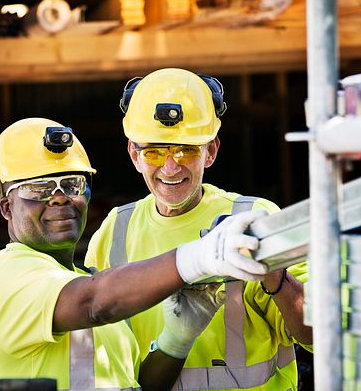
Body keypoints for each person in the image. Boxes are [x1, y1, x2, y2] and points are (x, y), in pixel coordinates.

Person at [0, 117, 270, 390]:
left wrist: (176, 340)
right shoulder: (8, 275)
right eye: (39, 188)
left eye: (72, 184)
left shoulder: (84, 279)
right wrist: (199, 257)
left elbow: (138, 383)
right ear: (5, 206)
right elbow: (92, 302)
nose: (59, 198)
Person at [86, 68, 312, 390]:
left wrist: (273, 276)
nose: (170, 166)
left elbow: (314, 332)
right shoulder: (114, 231)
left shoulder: (254, 217)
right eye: (154, 151)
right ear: (134, 155)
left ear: (211, 151)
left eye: (186, 149)